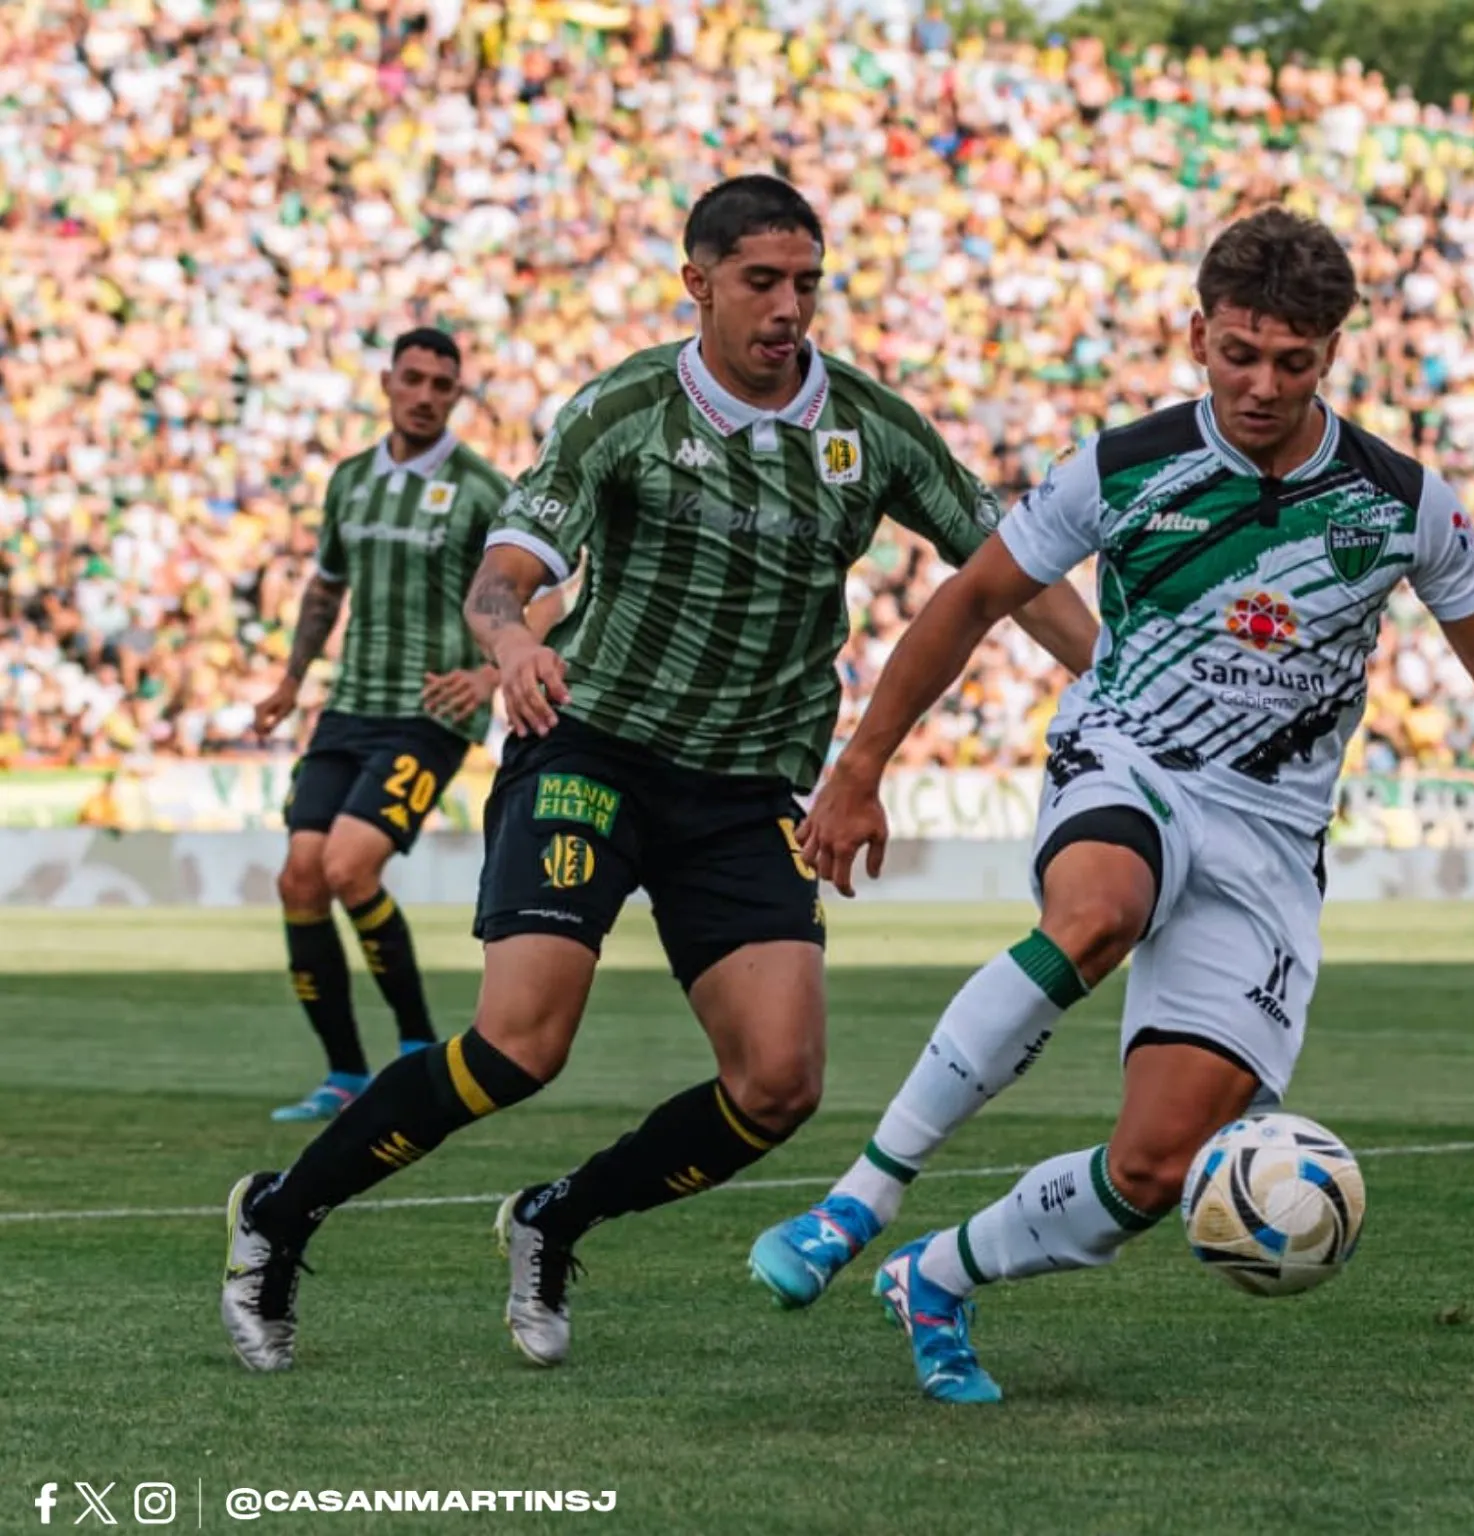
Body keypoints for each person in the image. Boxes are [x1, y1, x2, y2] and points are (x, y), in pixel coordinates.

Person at [218, 174, 1097, 1372]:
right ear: (698, 283)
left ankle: (554, 1218)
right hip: (593, 747)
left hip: (744, 786)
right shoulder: (623, 409)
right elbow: (504, 571)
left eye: (806, 283)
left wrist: (1118, 677)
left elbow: (1007, 568)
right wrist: (518, 638)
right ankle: (279, 1214)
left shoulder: (872, 429)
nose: (789, 307)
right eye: (760, 282)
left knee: (778, 1085)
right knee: (522, 1044)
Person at [750, 206, 1474, 1403]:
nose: (1261, 384)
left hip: (1272, 840)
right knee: (1098, 912)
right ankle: (858, 1202)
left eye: (1292, 362)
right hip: (1127, 763)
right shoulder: (1126, 466)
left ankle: (937, 1274)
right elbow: (975, 597)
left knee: (1158, 1166)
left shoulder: (1399, 501)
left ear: (1332, 355)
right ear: (1199, 336)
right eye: (1239, 354)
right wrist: (862, 764)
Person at [253, 328, 522, 1123]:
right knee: (299, 876)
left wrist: (490, 670)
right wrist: (291, 679)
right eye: (415, 379)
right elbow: (325, 587)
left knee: (346, 867)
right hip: (349, 706)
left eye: (444, 383)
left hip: (431, 710)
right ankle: (343, 1072)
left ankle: (414, 1045)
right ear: (388, 383)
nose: (427, 394)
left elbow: (542, 594)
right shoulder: (349, 482)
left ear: (456, 395)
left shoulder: (481, 487)